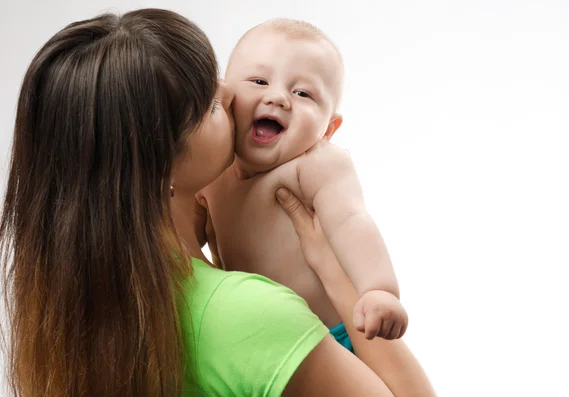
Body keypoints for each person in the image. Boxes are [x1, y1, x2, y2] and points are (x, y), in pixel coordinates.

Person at [0, 8, 435, 397]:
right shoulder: (245, 315)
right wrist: (335, 274)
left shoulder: (86, 310)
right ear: (159, 166)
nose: (230, 96)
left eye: (303, 93)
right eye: (210, 104)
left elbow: (349, 219)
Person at [198, 19, 408, 350]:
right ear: (224, 95)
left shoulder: (315, 165)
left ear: (328, 128)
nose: (278, 98)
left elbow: (351, 221)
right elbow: (182, 241)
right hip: (253, 338)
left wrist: (378, 290)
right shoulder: (211, 172)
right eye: (259, 80)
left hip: (331, 338)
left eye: (302, 93)